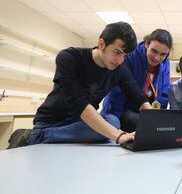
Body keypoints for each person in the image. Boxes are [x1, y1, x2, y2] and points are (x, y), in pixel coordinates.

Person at [7, 22, 151, 149]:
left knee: (113, 120)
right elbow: (80, 105)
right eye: (117, 52)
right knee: (113, 126)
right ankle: (34, 136)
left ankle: (44, 137)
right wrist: (119, 136)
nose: (120, 60)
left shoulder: (119, 68)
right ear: (101, 44)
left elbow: (138, 96)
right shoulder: (69, 58)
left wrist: (155, 125)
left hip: (79, 125)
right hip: (51, 122)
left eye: (125, 56)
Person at [101, 29, 172, 132]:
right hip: (124, 109)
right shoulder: (130, 56)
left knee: (164, 125)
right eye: (154, 51)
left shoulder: (166, 63)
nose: (157, 58)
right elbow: (117, 90)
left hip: (146, 109)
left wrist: (159, 119)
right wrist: (114, 119)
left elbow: (164, 92)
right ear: (147, 43)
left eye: (163, 54)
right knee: (136, 122)